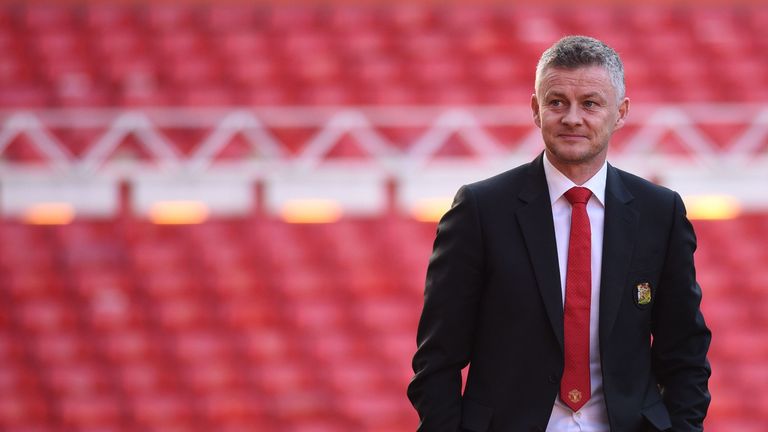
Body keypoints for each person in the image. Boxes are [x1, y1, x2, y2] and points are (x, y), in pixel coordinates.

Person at [407, 36, 711, 432]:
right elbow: (437, 359)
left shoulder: (661, 212)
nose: (572, 117)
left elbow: (685, 351)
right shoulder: (480, 211)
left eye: (590, 103)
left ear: (620, 113)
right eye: (556, 102)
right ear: (536, 110)